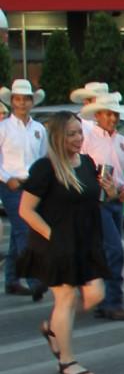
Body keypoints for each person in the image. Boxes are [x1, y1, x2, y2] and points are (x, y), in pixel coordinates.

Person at [16, 112, 107, 374]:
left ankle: (54, 328)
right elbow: (25, 210)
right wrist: (53, 236)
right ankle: (67, 361)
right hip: (54, 244)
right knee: (66, 299)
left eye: (80, 132)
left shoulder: (88, 163)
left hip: (84, 242)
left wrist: (110, 190)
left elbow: (93, 200)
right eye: (71, 134)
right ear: (57, 137)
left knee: (95, 295)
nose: (78, 138)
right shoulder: (45, 168)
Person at [77, 90, 124, 321]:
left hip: (116, 202)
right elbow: (79, 168)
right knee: (114, 250)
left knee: (107, 250)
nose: (112, 119)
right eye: (107, 114)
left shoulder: (123, 142)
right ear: (98, 115)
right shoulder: (87, 140)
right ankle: (113, 301)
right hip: (96, 203)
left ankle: (103, 298)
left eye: (114, 114)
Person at [1, 79, 48, 296]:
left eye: (26, 99)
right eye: (18, 99)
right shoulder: (3, 128)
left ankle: (11, 279)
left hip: (31, 185)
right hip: (10, 184)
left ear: (31, 102)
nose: (22, 103)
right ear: (12, 101)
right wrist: (7, 178)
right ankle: (33, 278)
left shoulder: (38, 129)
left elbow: (43, 158)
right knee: (23, 230)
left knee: (18, 234)